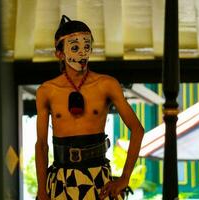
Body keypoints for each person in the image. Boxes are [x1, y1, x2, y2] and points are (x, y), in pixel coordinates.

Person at [35, 15, 144, 200]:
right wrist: (42, 191)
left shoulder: (107, 84)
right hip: (61, 177)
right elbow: (42, 146)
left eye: (87, 46)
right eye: (75, 47)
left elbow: (137, 130)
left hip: (99, 177)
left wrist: (125, 178)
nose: (82, 53)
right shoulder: (47, 91)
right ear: (59, 53)